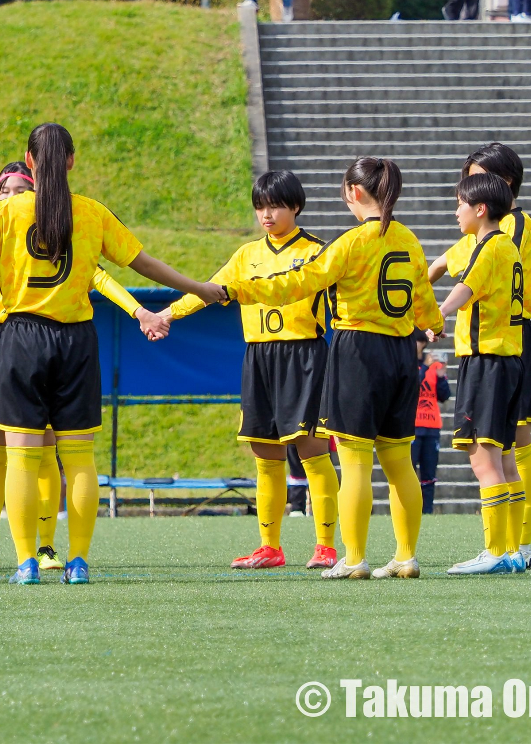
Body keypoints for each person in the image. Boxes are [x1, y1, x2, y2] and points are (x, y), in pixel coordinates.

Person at [0, 123, 220, 585]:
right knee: (78, 460)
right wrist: (199, 287)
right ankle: (77, 562)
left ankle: (25, 563)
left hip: (20, 340)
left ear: (29, 160)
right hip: (77, 343)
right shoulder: (91, 212)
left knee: (20, 459)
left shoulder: (4, 213)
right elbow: (144, 263)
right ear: (71, 161)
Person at [0, 160, 166, 573]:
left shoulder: (54, 235)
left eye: (23, 189)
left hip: (33, 340)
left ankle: (45, 549)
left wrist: (138, 310)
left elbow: (99, 276)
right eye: (6, 190)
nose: (13, 196)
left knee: (46, 451)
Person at [221, 158, 442, 580]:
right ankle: (406, 556)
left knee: (356, 463)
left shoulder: (349, 243)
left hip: (358, 351)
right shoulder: (408, 239)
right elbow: (424, 300)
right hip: (401, 354)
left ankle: (355, 558)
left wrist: (236, 288)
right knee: (399, 462)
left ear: (354, 193)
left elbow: (296, 283)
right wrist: (434, 325)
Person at [159, 170, 340, 571]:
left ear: (295, 206)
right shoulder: (246, 255)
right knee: (265, 454)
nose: (266, 214)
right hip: (258, 358)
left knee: (312, 452)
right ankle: (269, 547)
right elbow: (209, 291)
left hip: (305, 356)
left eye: (274, 205)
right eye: (260, 207)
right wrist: (167, 314)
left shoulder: (317, 251)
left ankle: (326, 546)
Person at [429, 142, 531, 569]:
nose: (458, 204)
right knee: (506, 454)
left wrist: (435, 314)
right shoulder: (502, 243)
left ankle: (501, 550)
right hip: (506, 353)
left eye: (465, 194)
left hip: (493, 351)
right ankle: (512, 551)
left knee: (487, 455)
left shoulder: (500, 238)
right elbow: (444, 264)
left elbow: (466, 285)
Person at [413, 343, 450, 515]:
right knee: (409, 472)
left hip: (431, 426)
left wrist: (442, 376)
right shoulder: (407, 363)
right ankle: (408, 511)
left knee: (429, 473)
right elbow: (412, 387)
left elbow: (444, 395)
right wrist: (425, 367)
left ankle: (427, 511)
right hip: (412, 426)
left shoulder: (434, 365)